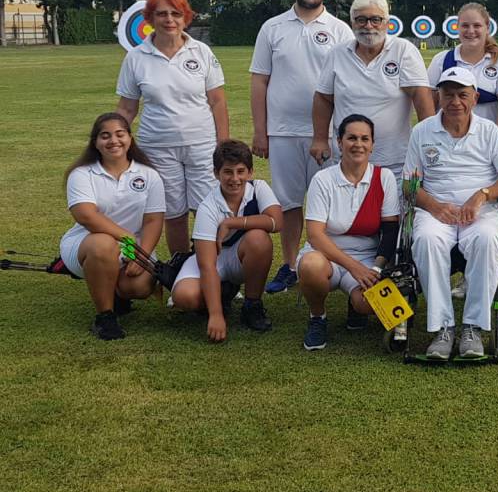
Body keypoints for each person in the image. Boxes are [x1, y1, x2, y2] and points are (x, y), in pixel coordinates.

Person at [250, 0, 354, 296]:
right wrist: (260, 131)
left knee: (330, 203)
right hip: (282, 133)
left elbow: (349, 82)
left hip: (325, 135)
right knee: (290, 203)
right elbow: (259, 82)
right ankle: (292, 264)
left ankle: (328, 263)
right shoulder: (272, 27)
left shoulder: (340, 30)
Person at [405, 67, 498, 359]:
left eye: (462, 94)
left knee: (486, 240)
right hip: (436, 210)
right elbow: (408, 186)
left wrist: (482, 195)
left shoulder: (488, 131)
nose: (455, 101)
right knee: (427, 241)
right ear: (438, 96)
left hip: (479, 211)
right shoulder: (422, 131)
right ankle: (442, 329)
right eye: (448, 94)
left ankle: (472, 327)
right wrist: (434, 206)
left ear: (474, 98)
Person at [116, 0, 228, 255]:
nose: (170, 20)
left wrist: (223, 144)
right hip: (157, 147)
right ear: (150, 18)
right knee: (173, 214)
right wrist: (112, 138)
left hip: (202, 145)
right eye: (162, 14)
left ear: (185, 18)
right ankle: (180, 272)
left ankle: (213, 274)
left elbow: (217, 102)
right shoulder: (135, 57)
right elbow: (127, 107)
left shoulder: (201, 51)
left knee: (208, 212)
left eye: (176, 14)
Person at [296, 115, 401, 351]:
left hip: (367, 259)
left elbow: (390, 230)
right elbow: (315, 236)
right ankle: (317, 317)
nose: (358, 144)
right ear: (340, 143)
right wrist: (354, 267)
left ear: (373, 144)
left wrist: (375, 269)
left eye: (365, 138)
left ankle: (356, 307)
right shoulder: (323, 179)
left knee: (371, 306)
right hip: (326, 256)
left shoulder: (384, 178)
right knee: (310, 266)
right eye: (351, 138)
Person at [60, 113, 165, 340]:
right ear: (95, 142)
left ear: (130, 138)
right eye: (105, 136)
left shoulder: (150, 175)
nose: (113, 141)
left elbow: (154, 220)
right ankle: (105, 317)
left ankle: (117, 295)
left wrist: (142, 255)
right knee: (104, 244)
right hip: (88, 243)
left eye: (120, 134)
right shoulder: (82, 174)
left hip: (134, 246)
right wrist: (127, 240)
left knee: (139, 287)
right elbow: (86, 216)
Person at [311, 0, 433, 181]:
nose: (368, 26)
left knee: (391, 211)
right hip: (347, 160)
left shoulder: (403, 50)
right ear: (352, 23)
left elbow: (421, 96)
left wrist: (428, 144)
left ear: (386, 22)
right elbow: (323, 98)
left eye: (375, 19)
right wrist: (319, 139)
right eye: (361, 20)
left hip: (395, 162)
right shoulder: (337, 53)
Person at [170, 140, 282, 342]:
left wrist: (232, 222)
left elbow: (276, 222)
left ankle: (252, 305)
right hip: (213, 259)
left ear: (250, 172)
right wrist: (216, 315)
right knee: (184, 297)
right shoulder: (208, 207)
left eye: (240, 171)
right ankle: (221, 297)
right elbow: (207, 265)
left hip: (239, 255)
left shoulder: (258, 188)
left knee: (259, 238)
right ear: (216, 173)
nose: (235, 178)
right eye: (228, 172)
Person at [426, 2, 498, 136]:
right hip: (447, 140)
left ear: (487, 27)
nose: (471, 31)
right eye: (465, 26)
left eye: (477, 25)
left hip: (486, 140)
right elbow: (429, 103)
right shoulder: (441, 59)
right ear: (457, 28)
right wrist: (432, 137)